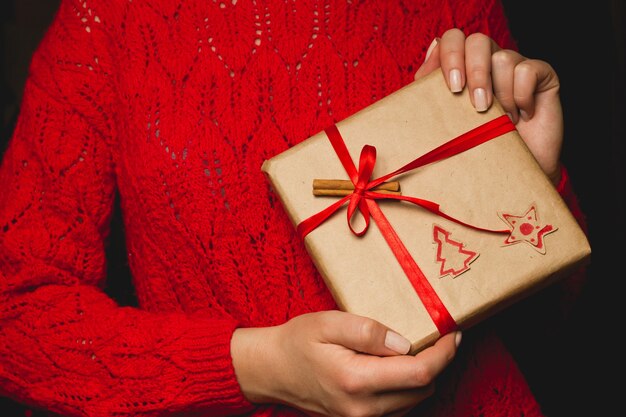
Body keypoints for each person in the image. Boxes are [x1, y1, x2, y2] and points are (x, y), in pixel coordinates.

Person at [0, 1, 586, 416]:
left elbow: (552, 320)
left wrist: (532, 182)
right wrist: (256, 368)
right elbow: (15, 312)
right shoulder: (108, 17)